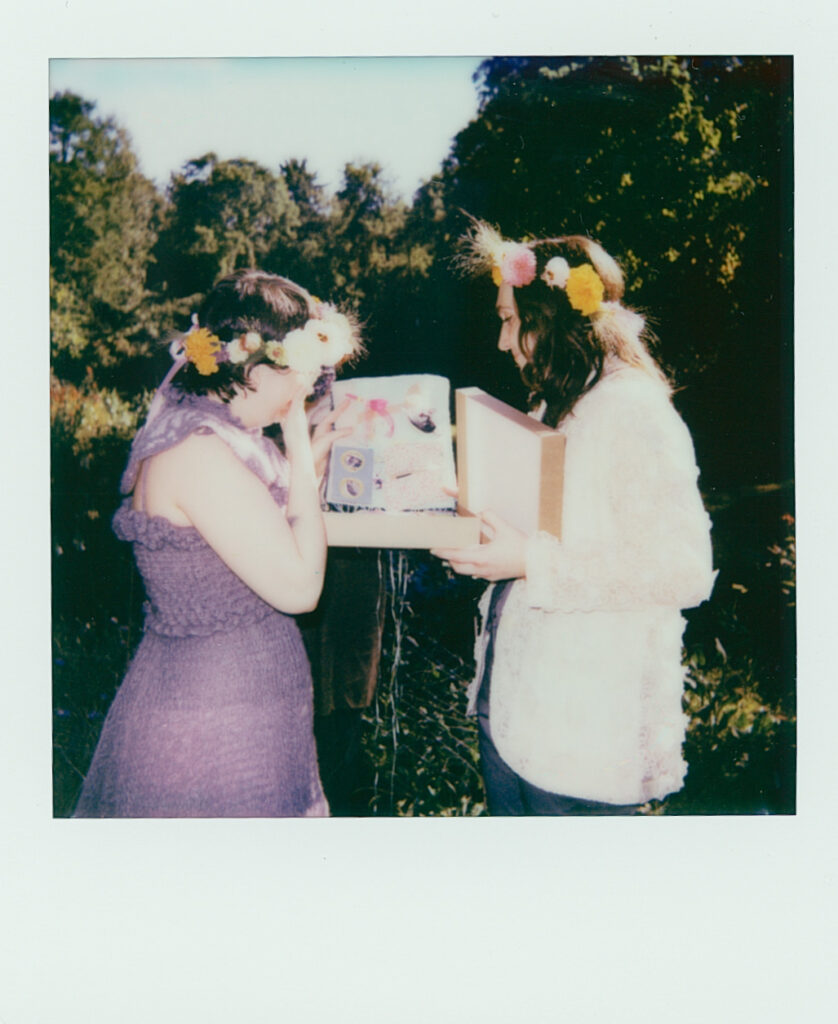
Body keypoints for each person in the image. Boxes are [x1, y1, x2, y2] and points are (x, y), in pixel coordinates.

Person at [432, 222, 716, 815]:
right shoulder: (555, 403)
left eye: (511, 320)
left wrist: (529, 560)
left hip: (583, 742)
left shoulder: (632, 410)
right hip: (513, 716)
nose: (503, 342)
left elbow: (683, 568)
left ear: (552, 315)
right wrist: (459, 505)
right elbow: (553, 530)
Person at [74, 269, 362, 817]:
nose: (306, 390)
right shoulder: (197, 451)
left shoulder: (220, 436)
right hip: (213, 730)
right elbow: (300, 587)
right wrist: (301, 456)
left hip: (236, 707)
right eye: (302, 375)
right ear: (253, 368)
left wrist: (310, 457)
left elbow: (255, 528)